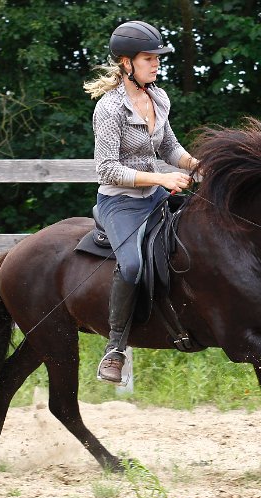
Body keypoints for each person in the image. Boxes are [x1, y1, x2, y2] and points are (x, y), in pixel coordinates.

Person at [83, 21, 198, 384]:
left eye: (157, 58)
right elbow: (106, 169)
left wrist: (197, 164)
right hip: (120, 203)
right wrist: (161, 178)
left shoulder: (159, 98)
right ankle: (114, 350)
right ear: (126, 63)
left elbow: (168, 148)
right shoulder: (109, 108)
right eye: (149, 58)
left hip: (155, 197)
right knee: (131, 266)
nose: (156, 64)